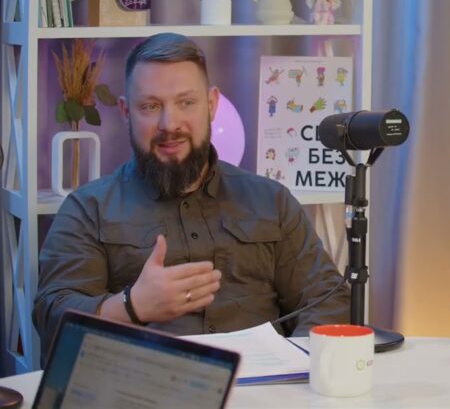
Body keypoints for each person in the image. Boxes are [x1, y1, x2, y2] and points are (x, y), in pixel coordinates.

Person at [34, 33, 350, 353]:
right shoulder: (89, 209)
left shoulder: (272, 201)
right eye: (150, 106)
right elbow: (51, 316)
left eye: (186, 102)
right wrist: (132, 306)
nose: (169, 123)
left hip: (263, 381)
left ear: (211, 105)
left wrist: (295, 363)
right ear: (126, 111)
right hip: (146, 380)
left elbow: (326, 299)